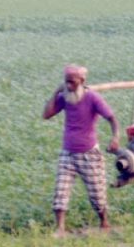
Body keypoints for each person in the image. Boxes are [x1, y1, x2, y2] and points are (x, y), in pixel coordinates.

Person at [43, 64, 120, 236]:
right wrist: (56, 93)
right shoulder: (65, 97)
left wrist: (115, 137)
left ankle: (104, 222)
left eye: (72, 82)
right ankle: (60, 228)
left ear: (82, 81)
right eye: (66, 82)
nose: (69, 85)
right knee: (60, 190)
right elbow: (46, 115)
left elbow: (112, 118)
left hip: (89, 152)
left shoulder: (93, 97)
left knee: (97, 193)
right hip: (68, 152)